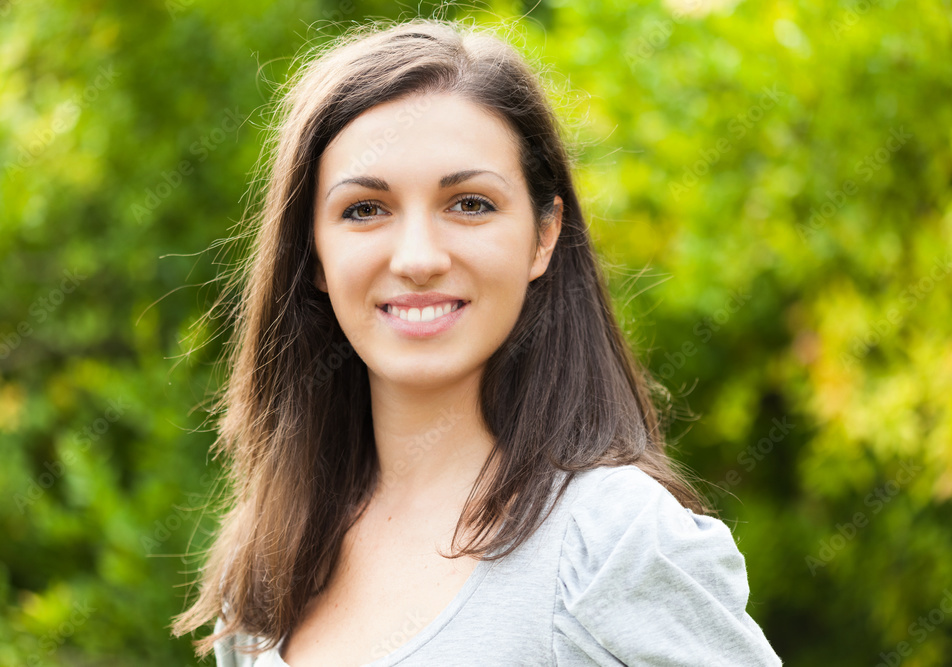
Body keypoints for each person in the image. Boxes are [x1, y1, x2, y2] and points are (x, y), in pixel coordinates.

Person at [170, 16, 783, 667]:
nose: (417, 257)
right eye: (365, 209)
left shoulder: (609, 538)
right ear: (313, 254)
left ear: (544, 235)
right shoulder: (271, 560)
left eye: (469, 203)